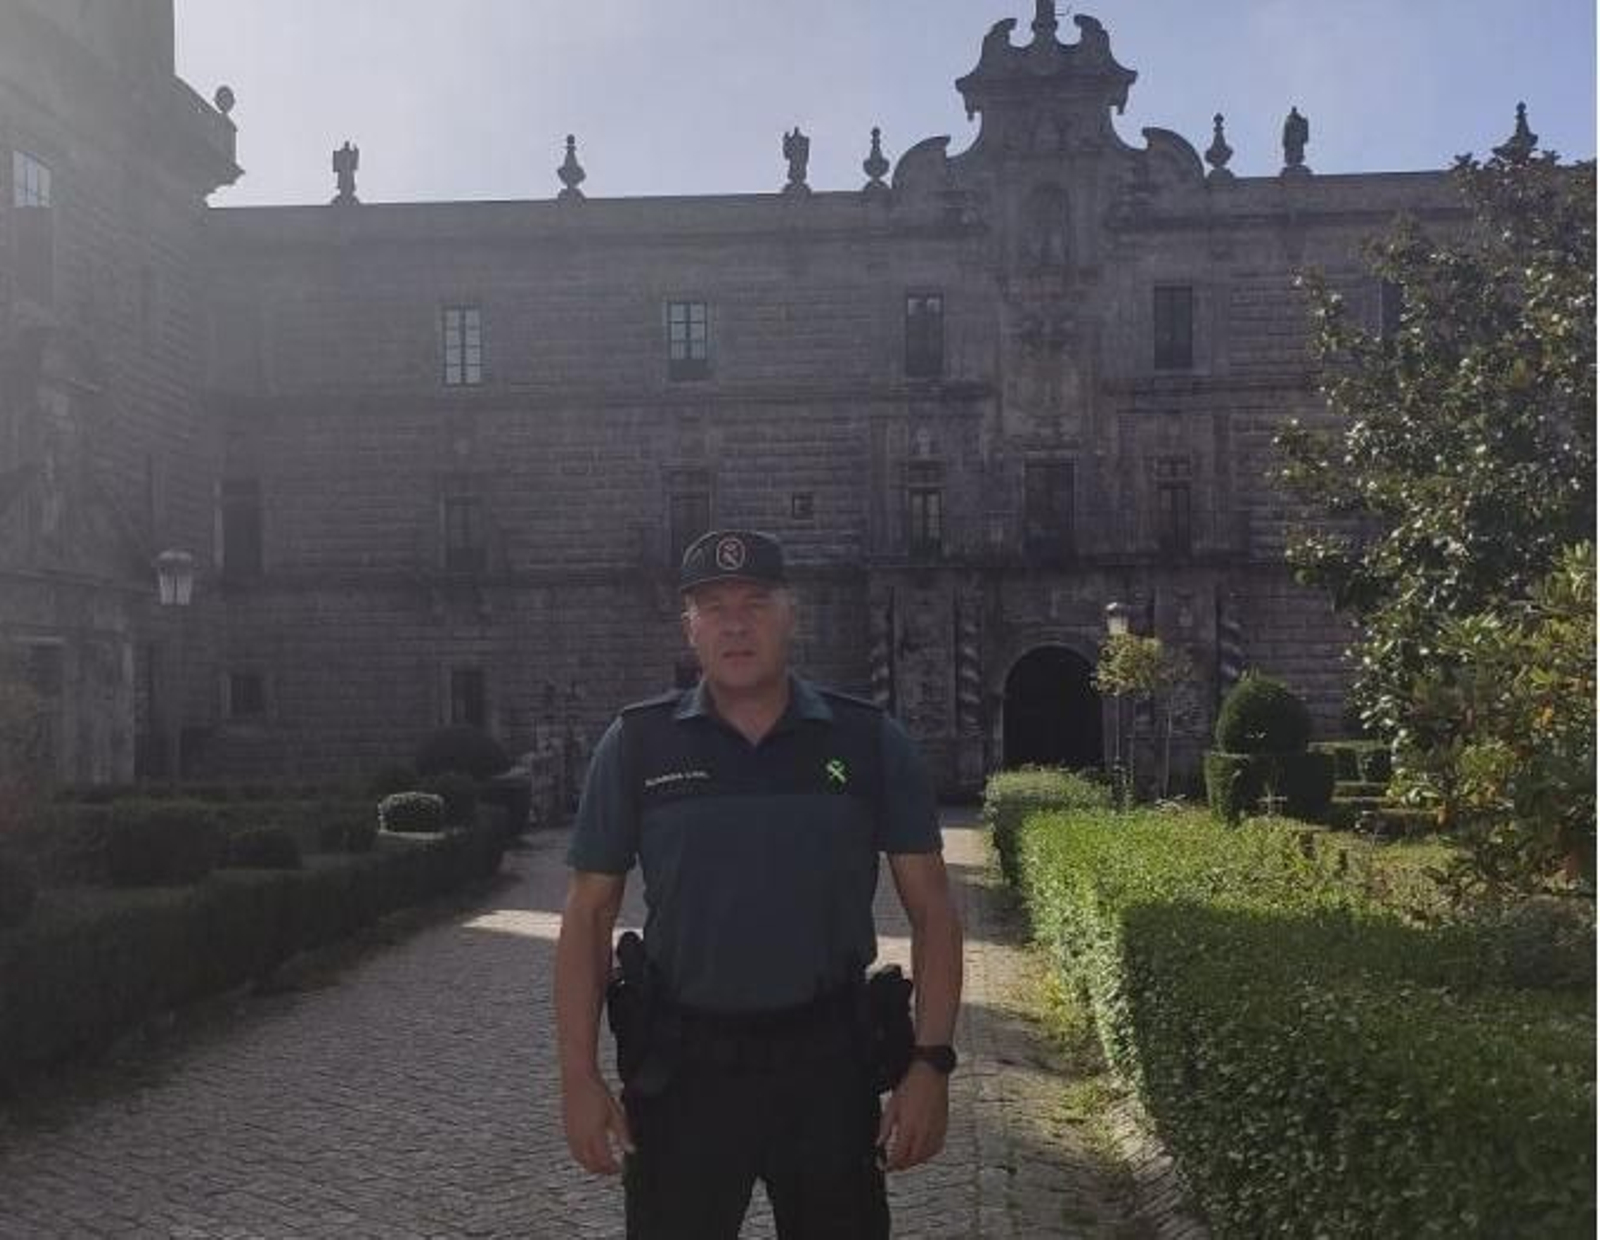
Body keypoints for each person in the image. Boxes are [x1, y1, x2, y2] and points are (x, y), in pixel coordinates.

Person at [555, 529, 963, 1240]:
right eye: (712, 607)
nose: (735, 623)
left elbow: (933, 912)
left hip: (828, 1072)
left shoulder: (867, 742)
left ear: (790, 614)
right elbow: (588, 915)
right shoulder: (639, 745)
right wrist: (578, 1078)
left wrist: (930, 1064)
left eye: (755, 603)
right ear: (689, 626)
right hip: (685, 1077)